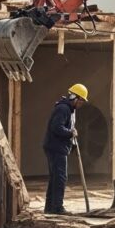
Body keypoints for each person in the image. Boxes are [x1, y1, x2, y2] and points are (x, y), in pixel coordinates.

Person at [42, 83, 88, 214]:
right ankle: (57, 208)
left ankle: (50, 208)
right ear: (75, 97)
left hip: (58, 147)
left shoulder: (70, 110)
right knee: (60, 178)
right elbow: (56, 128)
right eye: (81, 101)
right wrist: (70, 133)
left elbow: (66, 128)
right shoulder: (63, 109)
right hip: (56, 148)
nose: (81, 104)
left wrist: (71, 141)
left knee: (55, 177)